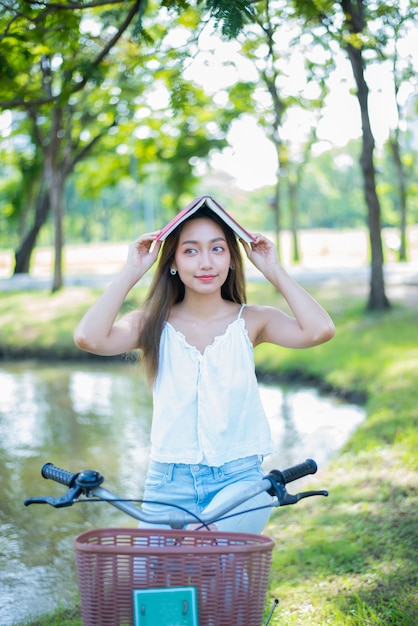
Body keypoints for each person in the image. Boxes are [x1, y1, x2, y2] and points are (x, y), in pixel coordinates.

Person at [74, 202, 335, 533]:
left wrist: (273, 270)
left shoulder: (252, 320)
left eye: (217, 249)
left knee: (221, 574)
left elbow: (319, 330)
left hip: (239, 480)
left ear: (231, 259)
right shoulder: (150, 323)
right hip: (168, 483)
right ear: (172, 261)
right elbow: (88, 337)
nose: (207, 262)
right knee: (150, 580)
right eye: (191, 251)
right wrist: (132, 271)